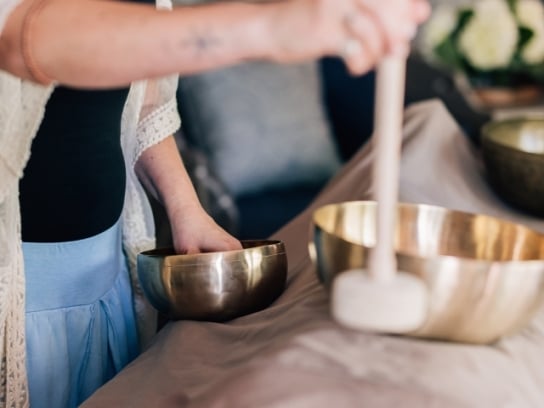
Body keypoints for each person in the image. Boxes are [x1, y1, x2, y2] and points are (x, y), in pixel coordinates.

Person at [0, 0, 430, 406]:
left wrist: (186, 208)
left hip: (105, 278)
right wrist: (270, 28)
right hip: (21, 295)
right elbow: (24, 40)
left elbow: (144, 107)